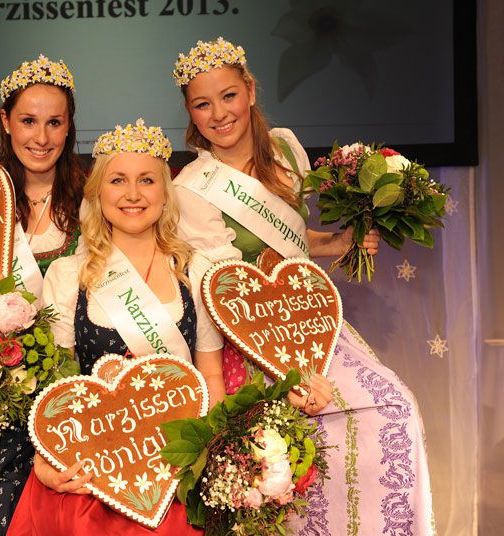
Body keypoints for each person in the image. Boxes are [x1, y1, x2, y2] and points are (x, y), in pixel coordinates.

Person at [171, 37, 435, 534]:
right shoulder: (190, 188)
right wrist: (290, 361)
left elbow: (294, 239)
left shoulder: (287, 147)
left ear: (250, 91)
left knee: (393, 405)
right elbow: (220, 282)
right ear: (190, 113)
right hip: (252, 337)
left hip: (310, 319)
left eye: (228, 95)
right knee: (285, 456)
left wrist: (339, 242)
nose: (219, 113)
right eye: (202, 104)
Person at [6, 119, 225, 535]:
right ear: (99, 193)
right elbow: (55, 385)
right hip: (92, 474)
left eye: (146, 180)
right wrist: (45, 458)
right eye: (118, 180)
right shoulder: (68, 277)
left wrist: (207, 454)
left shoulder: (196, 272)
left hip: (176, 468)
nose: (132, 195)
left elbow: (211, 375)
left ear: (165, 192)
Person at [0, 55, 86, 535]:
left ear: (69, 126)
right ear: (6, 121)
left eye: (55, 122)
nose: (42, 137)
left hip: (68, 387)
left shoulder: (91, 199)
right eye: (29, 121)